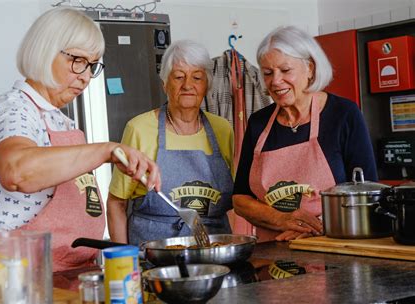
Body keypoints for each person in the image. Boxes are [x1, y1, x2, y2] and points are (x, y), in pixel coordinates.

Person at [0, 7, 160, 272]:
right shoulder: (14, 108)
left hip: (63, 270)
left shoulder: (60, 120)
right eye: (77, 60)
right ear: (45, 51)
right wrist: (106, 150)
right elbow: (17, 171)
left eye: (92, 65)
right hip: (13, 271)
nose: (84, 76)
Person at [233, 26, 377, 242]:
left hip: (334, 248)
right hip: (272, 254)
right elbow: (240, 200)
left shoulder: (343, 114)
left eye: (285, 70)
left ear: (310, 68)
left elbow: (368, 194)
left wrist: (315, 227)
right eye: (268, 73)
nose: (276, 81)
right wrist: (282, 219)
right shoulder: (259, 123)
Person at [107, 39, 234, 245]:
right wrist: (126, 260)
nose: (188, 85)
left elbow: (235, 201)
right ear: (164, 83)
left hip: (214, 253)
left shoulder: (223, 129)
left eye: (197, 77)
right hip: (154, 257)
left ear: (207, 84)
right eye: (179, 77)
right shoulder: (139, 129)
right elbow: (116, 203)